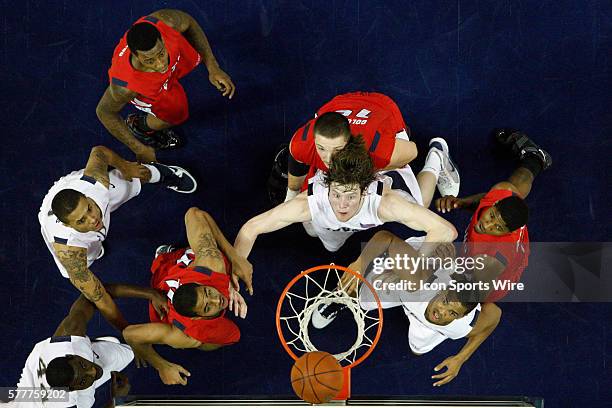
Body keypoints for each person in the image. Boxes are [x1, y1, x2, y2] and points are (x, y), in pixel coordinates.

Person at [234, 135, 460, 294]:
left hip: (391, 179)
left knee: (423, 201)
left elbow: (445, 230)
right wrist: (237, 262)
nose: (342, 205)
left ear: (364, 190)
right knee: (317, 235)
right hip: (338, 214)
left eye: (351, 196)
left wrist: (417, 268)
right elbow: (250, 228)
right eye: (337, 194)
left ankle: (436, 157)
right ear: (328, 187)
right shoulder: (309, 203)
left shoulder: (385, 203)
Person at [38, 145, 197, 331]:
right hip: (61, 226)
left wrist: (125, 167)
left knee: (135, 175)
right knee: (85, 261)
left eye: (89, 208)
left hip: (73, 185)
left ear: (86, 198)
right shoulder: (70, 253)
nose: (93, 219)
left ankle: (163, 173)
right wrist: (127, 331)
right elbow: (101, 298)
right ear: (68, 225)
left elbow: (99, 152)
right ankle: (94, 249)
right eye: (82, 221)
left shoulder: (95, 184)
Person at [316, 230, 502, 387]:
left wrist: (461, 358)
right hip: (415, 271)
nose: (441, 312)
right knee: (358, 293)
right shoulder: (417, 282)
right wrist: (359, 266)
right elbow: (385, 238)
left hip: (421, 304)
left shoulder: (462, 327)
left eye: (453, 313)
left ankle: (423, 319)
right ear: (443, 291)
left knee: (417, 349)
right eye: (445, 301)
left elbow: (494, 315)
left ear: (463, 316)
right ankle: (338, 299)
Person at [122, 207, 251, 386]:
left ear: (201, 284)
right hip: (167, 306)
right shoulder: (186, 332)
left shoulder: (212, 264)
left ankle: (165, 256)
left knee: (215, 256)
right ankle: (164, 258)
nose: (217, 300)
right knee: (207, 342)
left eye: (208, 292)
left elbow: (194, 213)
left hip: (171, 270)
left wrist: (235, 257)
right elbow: (129, 334)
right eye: (208, 307)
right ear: (198, 317)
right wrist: (161, 366)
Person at [96, 9, 236, 162]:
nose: (161, 64)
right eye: (149, 60)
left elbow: (188, 22)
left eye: (161, 54)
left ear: (162, 39)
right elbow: (104, 112)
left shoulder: (164, 22)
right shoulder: (125, 86)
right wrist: (139, 148)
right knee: (175, 114)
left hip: (173, 66)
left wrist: (213, 67)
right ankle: (140, 126)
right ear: (135, 55)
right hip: (148, 89)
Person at [435, 129, 552, 301]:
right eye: (491, 216)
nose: (487, 225)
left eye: (498, 228)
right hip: (504, 230)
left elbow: (475, 293)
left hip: (489, 284)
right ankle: (534, 159)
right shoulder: (499, 195)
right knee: (510, 189)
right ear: (495, 204)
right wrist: (460, 202)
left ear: (507, 233)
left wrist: (449, 266)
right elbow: (488, 199)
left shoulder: (491, 261)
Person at [283, 92, 418, 201]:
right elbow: (296, 168)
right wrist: (291, 194)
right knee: (311, 228)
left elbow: (413, 151)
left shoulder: (377, 153)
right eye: (322, 148)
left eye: (338, 150)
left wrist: (366, 171)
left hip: (382, 107)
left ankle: (435, 157)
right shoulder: (301, 145)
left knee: (415, 203)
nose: (329, 159)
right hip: (338, 103)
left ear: (349, 143)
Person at [12, 294, 134, 408]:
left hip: (33, 379)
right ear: (72, 389)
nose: (93, 371)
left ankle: (91, 348)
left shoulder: (71, 337)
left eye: (84, 365)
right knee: (130, 354)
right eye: (83, 381)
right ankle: (89, 355)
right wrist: (116, 400)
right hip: (50, 397)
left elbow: (91, 294)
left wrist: (151, 294)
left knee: (129, 352)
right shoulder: (78, 398)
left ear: (72, 356)